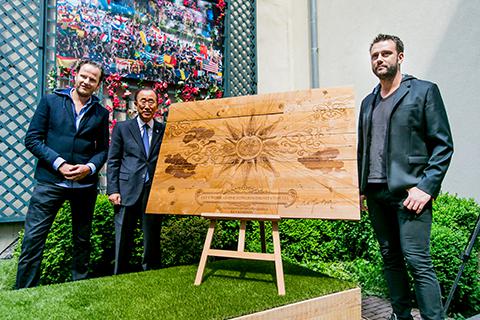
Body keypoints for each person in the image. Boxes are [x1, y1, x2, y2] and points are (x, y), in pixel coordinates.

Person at [357, 34, 454, 320]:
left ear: (400, 57)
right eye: (375, 55)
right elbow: (364, 148)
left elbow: (443, 145)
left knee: (417, 261)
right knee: (391, 260)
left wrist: (426, 188)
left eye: (386, 53)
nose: (379, 60)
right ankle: (400, 316)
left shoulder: (423, 92)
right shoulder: (367, 101)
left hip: (410, 193)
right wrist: (360, 189)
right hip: (376, 193)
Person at [16, 59, 109, 288]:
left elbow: (103, 150)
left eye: (92, 79)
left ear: (98, 85)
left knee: (82, 239)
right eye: (84, 76)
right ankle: (24, 289)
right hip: (50, 182)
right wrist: (59, 164)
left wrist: (89, 168)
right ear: (74, 75)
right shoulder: (50, 102)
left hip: (84, 186)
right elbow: (33, 139)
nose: (87, 81)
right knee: (33, 238)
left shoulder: (101, 113)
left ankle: (79, 285)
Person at [107, 87, 165, 274]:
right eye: (143, 101)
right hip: (127, 189)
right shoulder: (123, 128)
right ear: (136, 104)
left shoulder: (162, 130)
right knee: (123, 235)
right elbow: (113, 161)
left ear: (157, 105)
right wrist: (113, 189)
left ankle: (151, 271)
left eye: (151, 102)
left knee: (152, 235)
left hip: (153, 190)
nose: (147, 106)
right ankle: (120, 272)